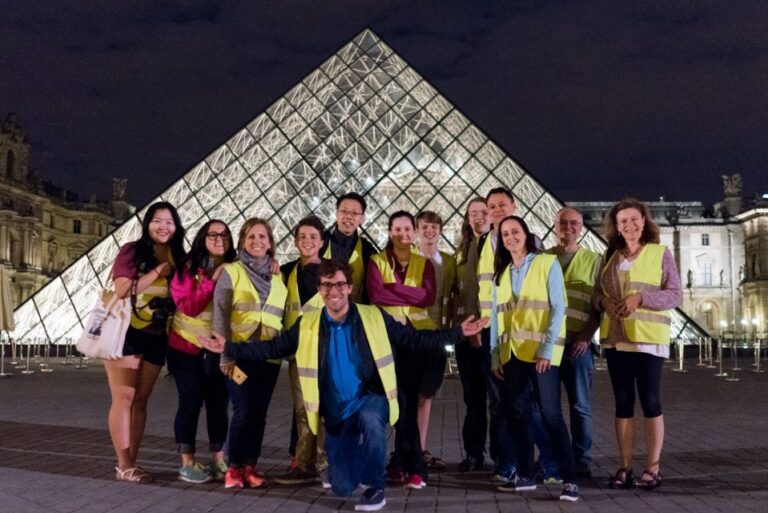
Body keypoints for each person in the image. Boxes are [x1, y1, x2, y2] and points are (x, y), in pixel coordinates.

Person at [200, 259, 488, 512]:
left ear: (350, 287)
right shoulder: (308, 323)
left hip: (369, 397)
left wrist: (457, 333)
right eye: (326, 285)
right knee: (341, 486)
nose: (333, 291)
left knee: (374, 422)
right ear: (319, 288)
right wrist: (231, 348)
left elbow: (416, 339)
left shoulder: (373, 316)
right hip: (336, 413)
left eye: (339, 284)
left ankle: (376, 488)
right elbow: (273, 347)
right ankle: (364, 464)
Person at [593, 198, 681, 491]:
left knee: (651, 401)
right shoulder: (609, 255)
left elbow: (674, 295)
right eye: (622, 221)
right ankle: (625, 466)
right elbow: (597, 294)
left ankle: (653, 469)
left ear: (644, 221)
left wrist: (641, 298)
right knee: (622, 404)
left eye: (633, 219)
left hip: (648, 340)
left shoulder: (660, 253)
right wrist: (603, 301)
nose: (628, 225)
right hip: (616, 340)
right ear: (616, 227)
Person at [490, 215, 579, 502]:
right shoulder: (501, 273)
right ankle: (526, 475)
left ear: (527, 234)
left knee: (552, 416)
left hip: (541, 354)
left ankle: (570, 479)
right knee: (519, 416)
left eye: (515, 231)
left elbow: (558, 307)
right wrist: (495, 355)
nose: (510, 237)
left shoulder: (545, 263)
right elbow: (496, 318)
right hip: (512, 355)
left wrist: (547, 349)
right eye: (505, 234)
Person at [107, 201, 186, 483]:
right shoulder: (132, 251)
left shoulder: (180, 256)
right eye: (157, 220)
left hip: (157, 335)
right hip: (125, 331)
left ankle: (132, 463)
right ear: (147, 223)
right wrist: (157, 272)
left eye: (169, 222)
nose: (163, 226)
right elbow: (121, 290)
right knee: (124, 397)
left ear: (176, 227)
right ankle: (123, 464)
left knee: (141, 400)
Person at [212, 218, 288, 489]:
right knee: (243, 410)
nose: (257, 241)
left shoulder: (279, 275)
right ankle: (233, 467)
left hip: (268, 358)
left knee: (260, 413)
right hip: (239, 356)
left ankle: (250, 466)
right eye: (251, 237)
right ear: (242, 241)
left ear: (270, 242)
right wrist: (225, 356)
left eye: (262, 237)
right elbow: (220, 316)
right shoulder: (231, 271)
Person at [367, 211, 436, 490]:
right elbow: (375, 294)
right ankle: (403, 463)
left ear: (415, 232)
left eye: (408, 229)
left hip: (418, 342)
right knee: (396, 403)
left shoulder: (424, 263)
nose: (403, 234)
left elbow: (428, 297)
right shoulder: (377, 261)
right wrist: (409, 292)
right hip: (388, 339)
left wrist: (392, 287)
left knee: (408, 403)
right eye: (397, 229)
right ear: (389, 231)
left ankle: (409, 464)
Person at [531, 207, 601, 481]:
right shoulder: (541, 259)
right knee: (545, 409)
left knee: (580, 406)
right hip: (548, 345)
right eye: (562, 223)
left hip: (578, 343)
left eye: (573, 223)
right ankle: (551, 458)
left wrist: (586, 335)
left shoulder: (594, 260)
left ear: (581, 227)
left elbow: (598, 305)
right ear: (554, 225)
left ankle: (581, 458)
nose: (568, 227)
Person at [167, 220, 235, 483]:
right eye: (213, 234)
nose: (219, 239)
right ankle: (187, 462)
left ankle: (219, 460)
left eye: (225, 235)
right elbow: (190, 306)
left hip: (218, 349)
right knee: (190, 403)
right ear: (202, 238)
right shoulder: (186, 269)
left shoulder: (236, 268)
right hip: (186, 347)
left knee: (219, 404)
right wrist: (211, 279)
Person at [275, 215, 329, 486]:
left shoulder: (333, 271)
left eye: (313, 237)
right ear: (295, 241)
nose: (307, 241)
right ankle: (304, 462)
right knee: (301, 409)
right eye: (302, 237)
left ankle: (325, 463)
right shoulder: (285, 271)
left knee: (326, 409)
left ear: (322, 241)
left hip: (326, 352)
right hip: (298, 352)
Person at [476, 188, 517, 482]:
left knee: (520, 400)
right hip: (490, 329)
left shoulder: (527, 239)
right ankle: (504, 460)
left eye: (503, 204)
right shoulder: (480, 243)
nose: (498, 209)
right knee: (498, 400)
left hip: (518, 331)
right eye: (492, 206)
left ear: (513, 206)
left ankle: (521, 459)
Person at [413, 210, 457, 471]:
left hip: (437, 334)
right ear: (418, 230)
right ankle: (406, 450)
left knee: (426, 395)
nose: (430, 231)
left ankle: (420, 448)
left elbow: (454, 298)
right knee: (408, 395)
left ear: (440, 230)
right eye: (425, 227)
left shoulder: (450, 262)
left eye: (434, 227)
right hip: (411, 334)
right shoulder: (407, 258)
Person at [453, 197, 491, 472]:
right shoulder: (460, 252)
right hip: (465, 333)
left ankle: (503, 455)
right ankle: (474, 453)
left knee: (499, 398)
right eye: (473, 212)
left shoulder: (501, 245)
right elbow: (458, 294)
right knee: (473, 398)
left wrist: (479, 325)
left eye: (483, 211)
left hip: (490, 332)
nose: (478, 216)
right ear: (467, 218)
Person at [320, 192, 378, 303]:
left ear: (362, 218)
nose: (349, 216)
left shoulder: (367, 249)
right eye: (344, 211)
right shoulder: (321, 242)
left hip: (355, 313)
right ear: (336, 214)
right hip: (323, 312)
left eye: (355, 213)